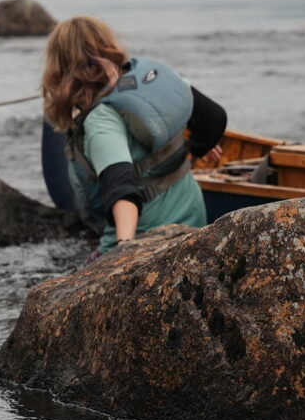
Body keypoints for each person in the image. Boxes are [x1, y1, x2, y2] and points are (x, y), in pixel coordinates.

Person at [40, 16, 229, 252]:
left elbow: (121, 189)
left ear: (59, 68)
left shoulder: (100, 121)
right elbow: (214, 118)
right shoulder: (149, 82)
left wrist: (124, 250)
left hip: (148, 236)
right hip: (193, 218)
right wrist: (198, 146)